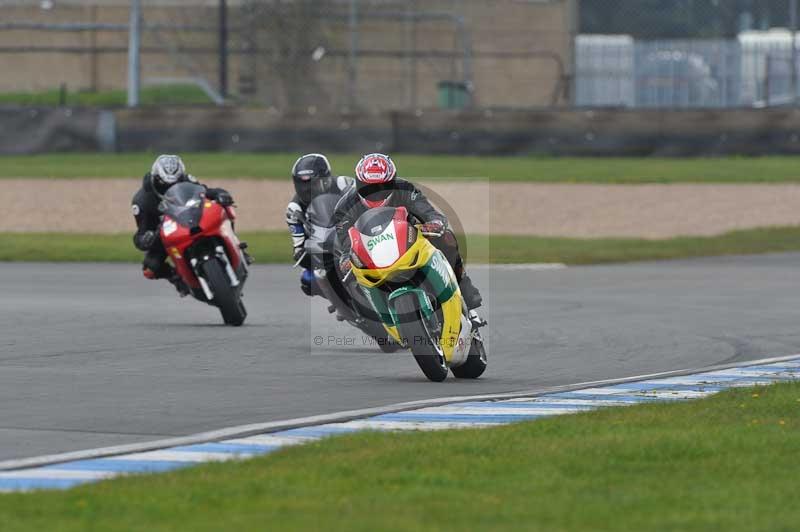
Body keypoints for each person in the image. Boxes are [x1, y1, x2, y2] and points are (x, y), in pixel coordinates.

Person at [334, 153, 483, 310]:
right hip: (370, 251)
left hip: (407, 240)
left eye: (381, 187)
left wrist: (435, 223)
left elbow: (427, 211)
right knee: (348, 276)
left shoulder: (405, 189)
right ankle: (374, 317)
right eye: (368, 188)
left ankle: (464, 287)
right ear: (358, 183)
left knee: (446, 238)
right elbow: (344, 240)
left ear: (392, 182)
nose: (374, 193)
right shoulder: (345, 207)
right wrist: (345, 258)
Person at [131, 154, 236, 296]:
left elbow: (205, 192)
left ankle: (233, 241)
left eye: (176, 183)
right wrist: (146, 239)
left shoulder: (187, 180)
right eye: (165, 185)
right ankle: (177, 279)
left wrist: (220, 194)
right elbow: (140, 235)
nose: (170, 187)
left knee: (223, 206)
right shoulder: (141, 201)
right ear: (155, 179)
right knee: (149, 269)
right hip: (166, 233)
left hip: (192, 220)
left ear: (181, 177)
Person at [285, 153, 353, 296]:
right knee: (308, 280)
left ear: (326, 179)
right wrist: (302, 253)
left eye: (312, 183)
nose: (306, 189)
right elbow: (298, 245)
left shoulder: (344, 184)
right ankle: (341, 304)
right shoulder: (294, 209)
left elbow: (365, 203)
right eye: (301, 184)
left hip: (352, 235)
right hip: (323, 248)